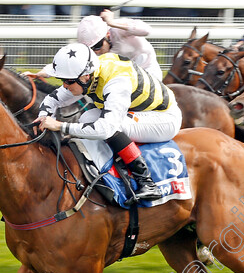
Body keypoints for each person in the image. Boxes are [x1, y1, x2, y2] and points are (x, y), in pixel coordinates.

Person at [33, 43, 183, 203]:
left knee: (115, 126)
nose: (65, 86)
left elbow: (105, 129)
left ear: (85, 77)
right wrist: (43, 116)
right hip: (140, 111)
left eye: (68, 82)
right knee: (87, 118)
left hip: (164, 118)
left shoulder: (116, 82)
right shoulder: (89, 74)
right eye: (62, 80)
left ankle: (147, 182)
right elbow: (52, 100)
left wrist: (60, 125)